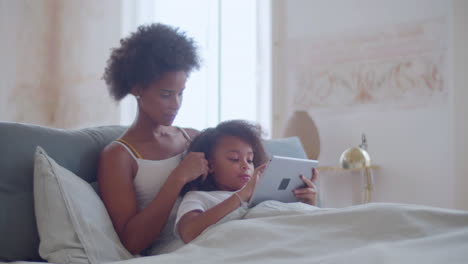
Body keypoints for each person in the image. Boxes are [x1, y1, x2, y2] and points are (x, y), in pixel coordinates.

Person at [98, 23, 208, 255]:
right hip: (177, 251)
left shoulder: (192, 137)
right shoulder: (119, 156)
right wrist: (178, 177)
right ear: (138, 89)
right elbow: (132, 242)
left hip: (216, 233)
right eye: (166, 95)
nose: (176, 104)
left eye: (181, 93)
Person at [175, 120, 319, 243]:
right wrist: (242, 195)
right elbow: (188, 233)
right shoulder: (199, 197)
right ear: (210, 165)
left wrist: (308, 203)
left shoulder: (264, 194)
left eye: (249, 160)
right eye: (234, 159)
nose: (245, 165)